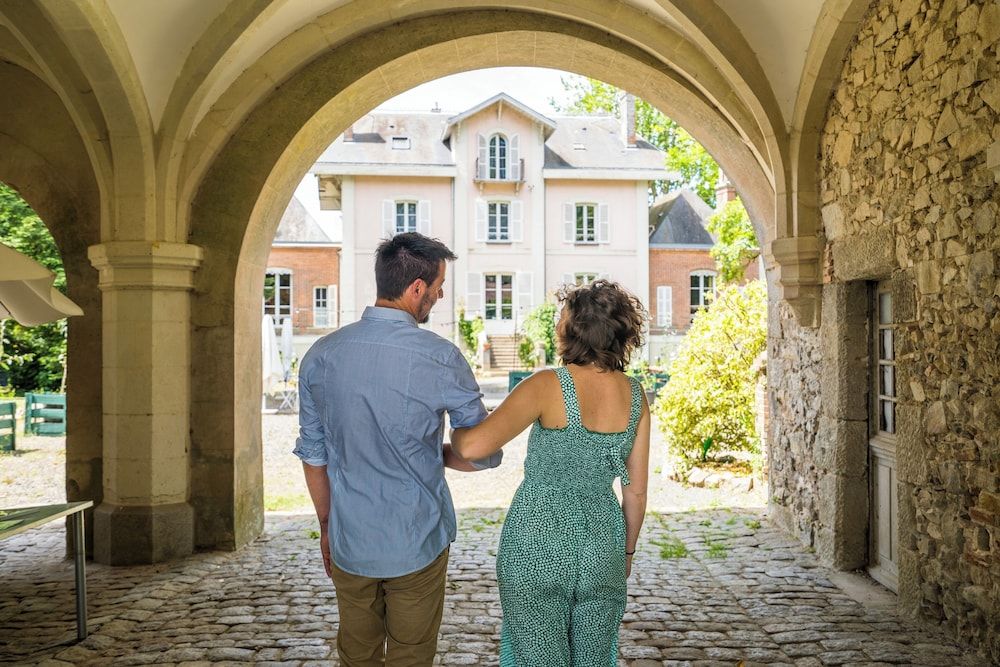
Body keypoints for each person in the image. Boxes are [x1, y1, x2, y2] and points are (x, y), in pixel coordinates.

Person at [294, 232, 501, 666]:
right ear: (417, 288)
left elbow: (315, 455)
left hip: (351, 538)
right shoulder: (440, 357)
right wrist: (439, 454)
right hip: (416, 537)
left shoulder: (320, 355)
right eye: (439, 286)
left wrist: (329, 525)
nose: (440, 295)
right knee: (411, 654)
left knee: (357, 653)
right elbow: (483, 450)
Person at [451, 279, 651, 666]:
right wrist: (626, 551)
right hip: (602, 544)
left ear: (576, 329)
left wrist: (456, 430)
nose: (557, 324)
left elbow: (474, 447)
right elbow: (636, 493)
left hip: (537, 540)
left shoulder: (548, 385)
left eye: (562, 317)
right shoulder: (636, 394)